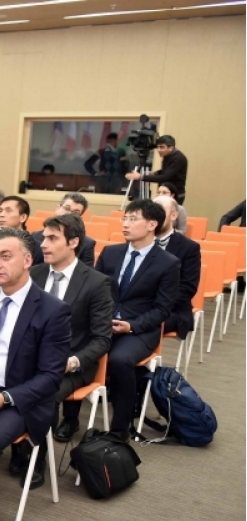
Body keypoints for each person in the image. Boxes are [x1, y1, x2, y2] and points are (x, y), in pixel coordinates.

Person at [0, 227, 71, 497]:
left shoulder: (53, 310)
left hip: (16, 398)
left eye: (6, 256)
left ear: (28, 260)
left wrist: (5, 398)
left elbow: (50, 376)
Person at [94, 199, 179, 436]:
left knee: (120, 360)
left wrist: (131, 326)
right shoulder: (110, 253)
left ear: (152, 224)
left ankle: (120, 429)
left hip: (139, 330)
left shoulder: (168, 263)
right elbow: (94, 292)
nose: (125, 224)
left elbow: (162, 309)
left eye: (133, 219)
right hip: (104, 323)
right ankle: (69, 420)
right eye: (125, 218)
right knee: (72, 348)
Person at [32, 214, 113, 446]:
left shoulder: (96, 283)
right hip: (31, 358)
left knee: (43, 394)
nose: (43, 244)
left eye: (52, 238)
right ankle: (18, 449)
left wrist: (73, 362)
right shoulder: (33, 274)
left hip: (70, 364)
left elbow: (102, 339)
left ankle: (37, 456)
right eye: (43, 238)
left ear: (73, 242)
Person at [153, 196, 201, 342]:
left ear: (174, 216)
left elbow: (186, 289)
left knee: (145, 323)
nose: (154, 215)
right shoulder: (137, 242)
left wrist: (152, 305)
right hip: (135, 306)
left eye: (160, 210)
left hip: (172, 309)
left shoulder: (189, 248)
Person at [0, 195, 43, 264]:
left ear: (23, 217)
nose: (2, 215)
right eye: (0, 211)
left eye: (8, 211)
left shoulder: (36, 248)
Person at [125, 135, 188, 203]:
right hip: (165, 192)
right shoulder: (168, 155)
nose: (158, 150)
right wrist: (154, 173)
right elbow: (167, 171)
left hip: (174, 195)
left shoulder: (178, 158)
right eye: (157, 147)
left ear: (171, 148)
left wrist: (140, 177)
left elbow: (165, 177)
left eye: (162, 147)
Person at [38, 193, 95, 267]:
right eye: (67, 209)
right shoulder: (36, 236)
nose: (69, 214)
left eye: (75, 213)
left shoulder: (86, 243)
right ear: (58, 209)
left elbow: (86, 272)